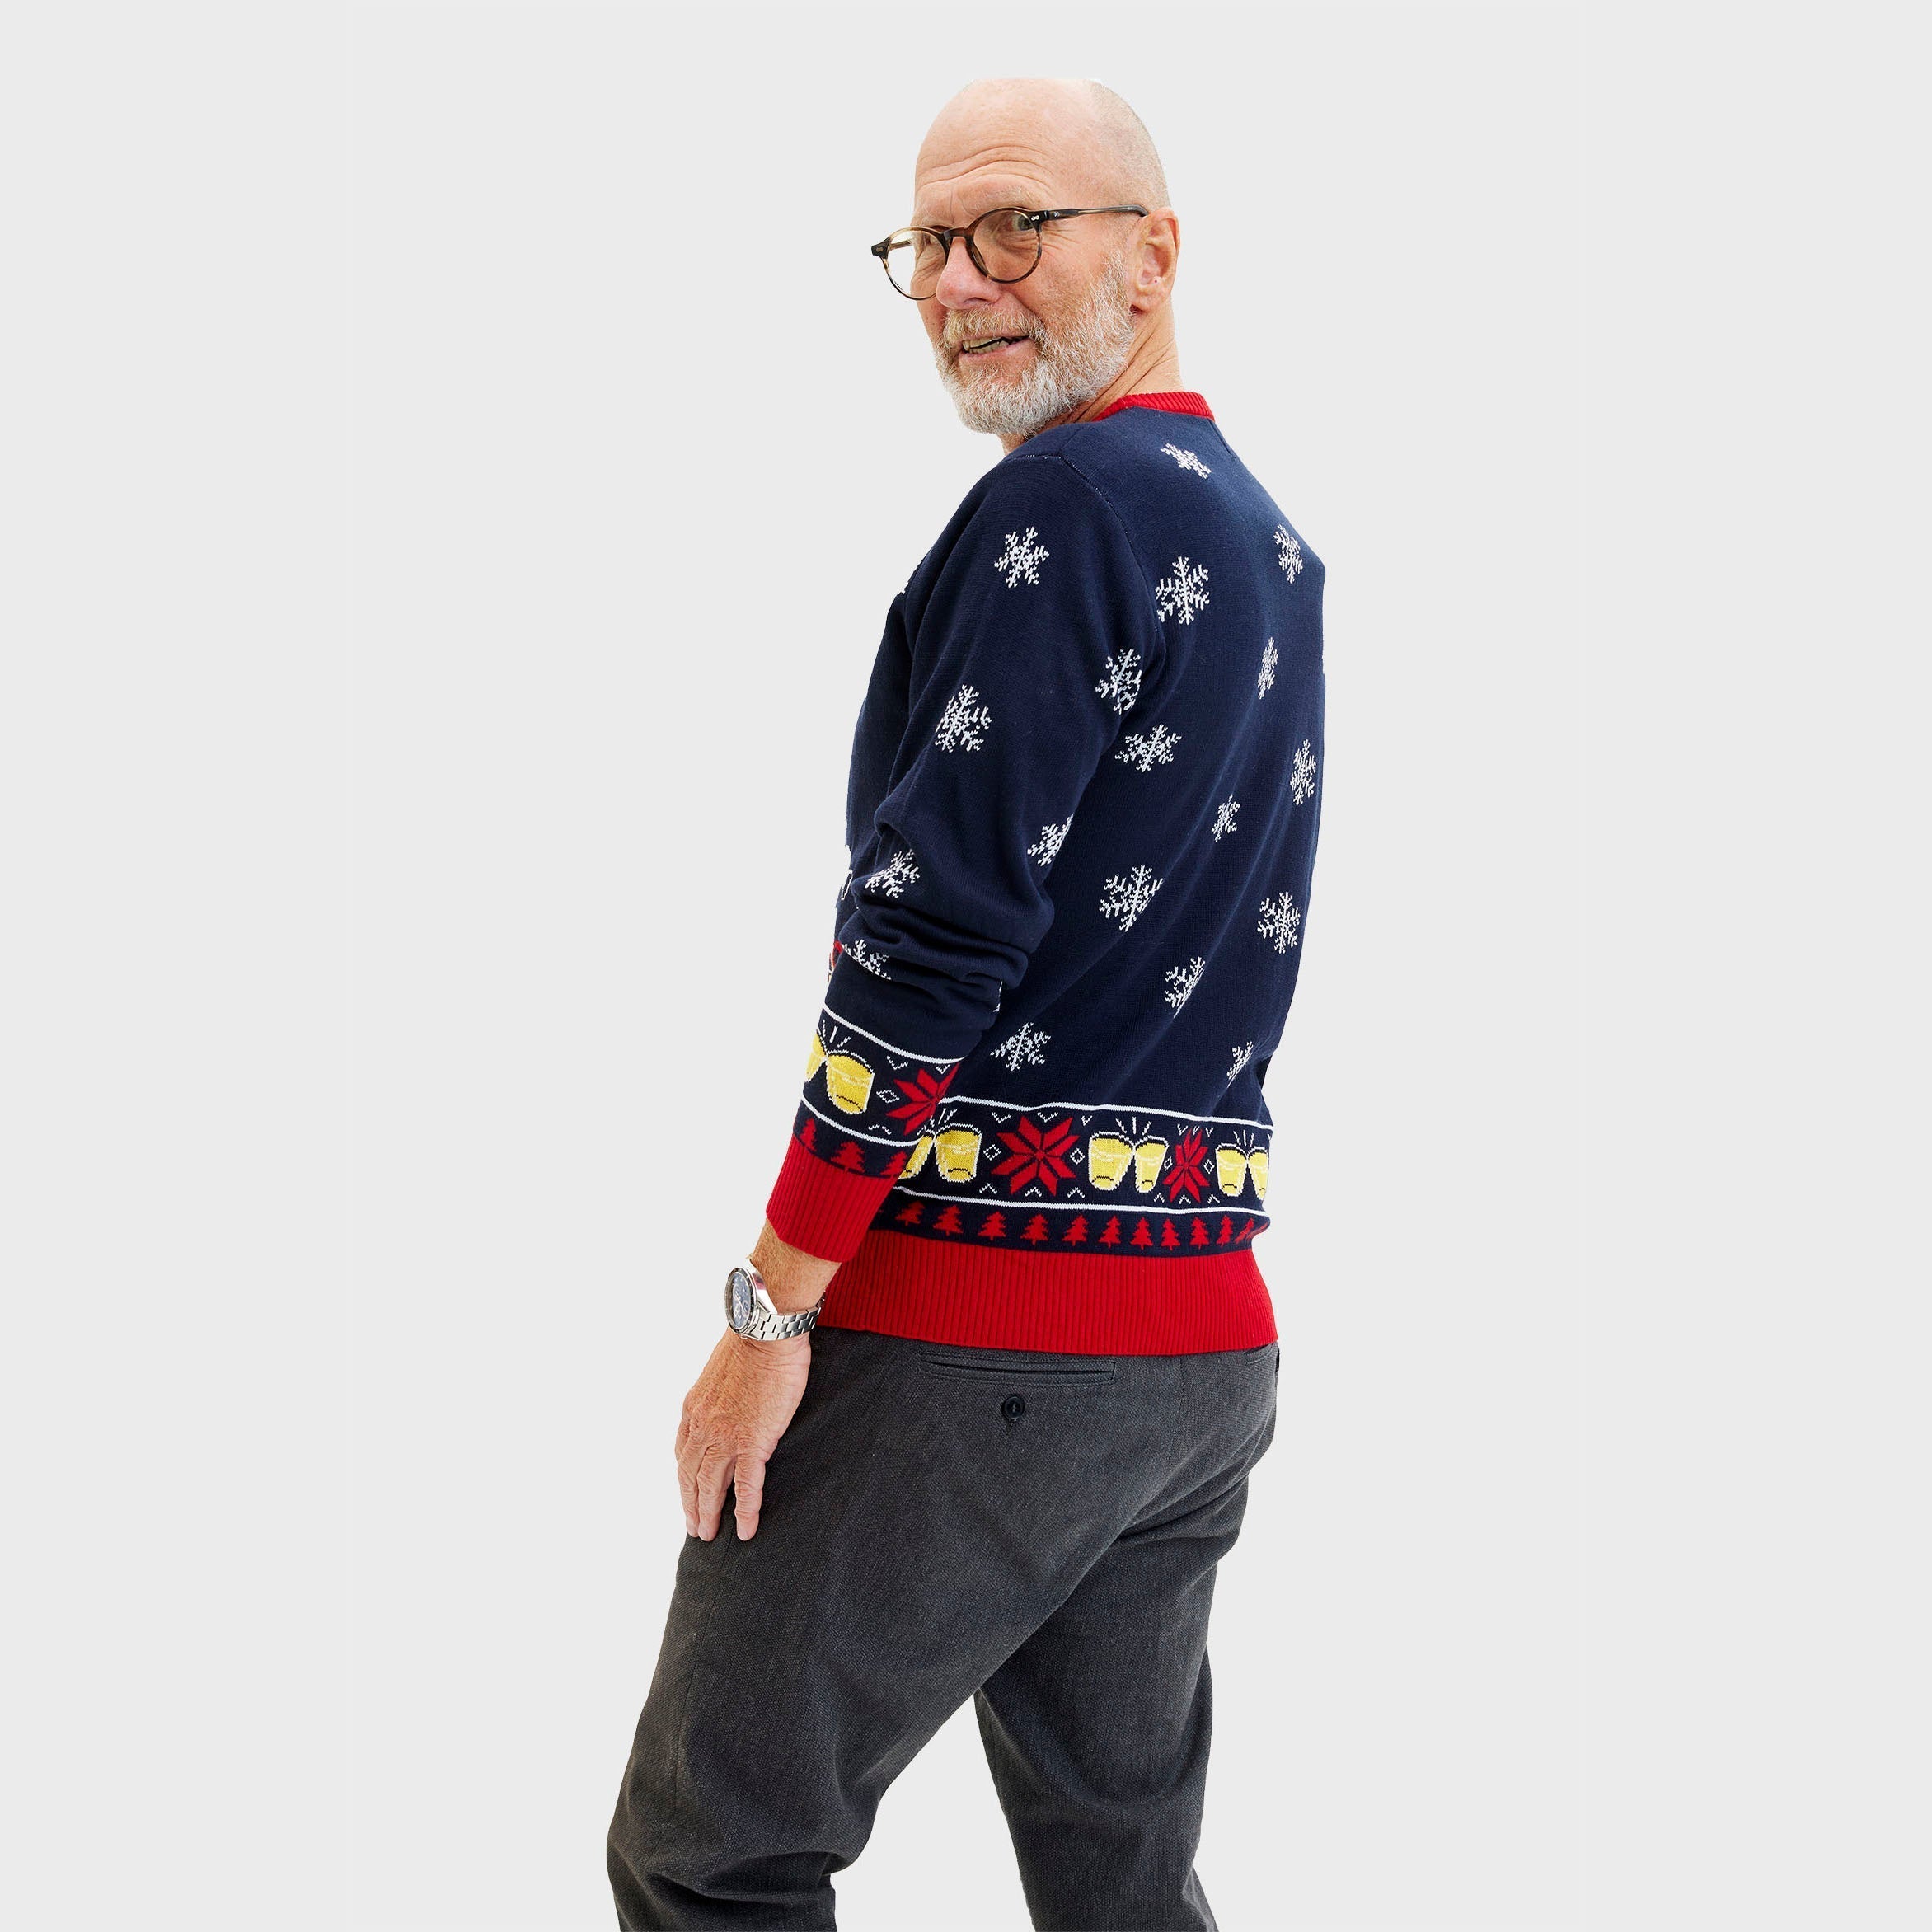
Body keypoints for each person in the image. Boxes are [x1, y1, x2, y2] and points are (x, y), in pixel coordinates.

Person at [607, 73, 1325, 1930]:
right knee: (1118, 1887)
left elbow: (930, 944)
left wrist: (773, 1304)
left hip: (983, 1333)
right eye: (927, 242)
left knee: (711, 1857)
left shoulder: (1063, 509)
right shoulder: (1262, 538)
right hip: (1195, 1352)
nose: (957, 281)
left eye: (1015, 227)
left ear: (1153, 252)